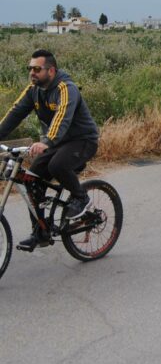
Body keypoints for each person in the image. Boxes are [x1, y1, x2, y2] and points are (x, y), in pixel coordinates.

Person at [0, 50, 99, 250]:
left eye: (37, 69)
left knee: (57, 165)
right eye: (30, 68)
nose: (32, 73)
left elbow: (62, 117)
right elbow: (15, 113)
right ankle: (41, 233)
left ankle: (81, 197)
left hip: (82, 140)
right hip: (58, 143)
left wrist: (47, 141)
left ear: (51, 71)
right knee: (31, 179)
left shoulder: (66, 88)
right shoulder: (33, 90)